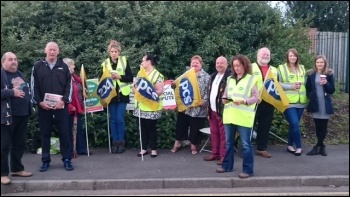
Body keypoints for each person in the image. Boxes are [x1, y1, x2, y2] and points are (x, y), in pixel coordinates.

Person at [31, 41, 74, 171]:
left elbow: (69, 86)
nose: (52, 52)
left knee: (65, 134)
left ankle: (67, 159)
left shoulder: (64, 66)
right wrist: (39, 102)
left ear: (58, 52)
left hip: (61, 107)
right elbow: (34, 87)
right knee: (45, 134)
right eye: (50, 49)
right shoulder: (38, 66)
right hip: (44, 108)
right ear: (45, 51)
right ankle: (45, 161)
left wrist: (64, 100)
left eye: (54, 50)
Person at [216, 54, 259, 179]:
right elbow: (226, 94)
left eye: (238, 66)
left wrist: (244, 101)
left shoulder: (252, 79)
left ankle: (248, 170)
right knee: (229, 143)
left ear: (244, 65)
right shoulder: (230, 79)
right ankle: (227, 166)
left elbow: (256, 98)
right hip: (230, 115)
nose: (236, 68)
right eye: (234, 66)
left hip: (244, 117)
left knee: (246, 144)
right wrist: (224, 99)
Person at [1, 52, 33, 185]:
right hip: (7, 116)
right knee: (4, 146)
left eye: (15, 59)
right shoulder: (2, 75)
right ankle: (2, 174)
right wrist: (12, 92)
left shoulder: (19, 73)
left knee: (19, 144)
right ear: (3, 62)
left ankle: (17, 169)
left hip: (22, 114)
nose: (14, 61)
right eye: (10, 59)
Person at [171, 55, 210, 155]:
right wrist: (173, 84)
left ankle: (194, 145)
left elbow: (208, 91)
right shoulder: (185, 74)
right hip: (185, 105)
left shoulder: (206, 77)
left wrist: (204, 101)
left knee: (195, 127)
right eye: (193, 62)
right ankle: (177, 143)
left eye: (197, 63)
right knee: (181, 125)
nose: (194, 64)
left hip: (198, 107)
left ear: (201, 64)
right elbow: (178, 85)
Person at [100, 40, 133, 154]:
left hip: (122, 94)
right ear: (109, 52)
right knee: (113, 120)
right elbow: (102, 80)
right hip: (111, 95)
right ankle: (115, 144)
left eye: (116, 51)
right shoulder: (105, 64)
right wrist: (109, 78)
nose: (114, 53)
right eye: (112, 51)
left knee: (119, 119)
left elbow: (130, 77)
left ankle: (121, 142)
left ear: (119, 52)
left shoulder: (124, 61)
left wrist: (120, 76)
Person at [277, 48, 307, 156]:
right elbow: (278, 84)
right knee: (294, 123)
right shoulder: (281, 68)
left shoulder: (302, 68)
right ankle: (299, 147)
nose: (292, 57)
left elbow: (306, 83)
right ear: (287, 57)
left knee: (294, 125)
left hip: (301, 101)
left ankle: (290, 145)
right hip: (288, 102)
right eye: (290, 56)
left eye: (294, 56)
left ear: (297, 57)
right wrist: (291, 86)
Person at [133, 54, 164, 157]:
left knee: (151, 128)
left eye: (143, 61)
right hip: (141, 106)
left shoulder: (157, 75)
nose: (141, 63)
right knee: (142, 128)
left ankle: (153, 149)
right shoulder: (140, 73)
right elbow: (135, 87)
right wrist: (135, 89)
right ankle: (144, 148)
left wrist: (146, 92)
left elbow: (159, 91)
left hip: (151, 106)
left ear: (149, 62)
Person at [203, 56, 230, 165]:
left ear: (226, 64)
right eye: (217, 63)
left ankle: (223, 156)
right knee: (214, 133)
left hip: (223, 111)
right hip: (212, 110)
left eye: (221, 63)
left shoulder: (230, 77)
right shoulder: (213, 76)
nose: (219, 65)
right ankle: (215, 153)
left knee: (224, 136)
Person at [251, 47, 278, 158]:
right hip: (253, 101)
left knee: (265, 125)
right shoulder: (251, 67)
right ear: (257, 56)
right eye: (263, 54)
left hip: (268, 101)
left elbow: (277, 86)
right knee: (249, 125)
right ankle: (245, 148)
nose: (265, 56)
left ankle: (261, 148)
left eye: (267, 54)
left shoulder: (274, 70)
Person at [305, 55, 335, 156]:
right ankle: (321, 146)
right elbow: (307, 88)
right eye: (318, 62)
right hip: (315, 103)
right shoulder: (311, 74)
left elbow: (332, 90)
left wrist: (326, 83)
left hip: (325, 104)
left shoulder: (329, 74)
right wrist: (310, 96)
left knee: (324, 126)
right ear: (315, 63)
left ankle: (318, 146)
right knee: (317, 126)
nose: (319, 64)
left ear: (325, 63)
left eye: (321, 62)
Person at [63, 58, 90, 156]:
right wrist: (69, 106)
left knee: (79, 129)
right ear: (68, 66)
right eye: (72, 65)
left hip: (78, 107)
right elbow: (62, 93)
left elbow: (82, 85)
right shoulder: (63, 78)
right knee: (69, 130)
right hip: (69, 109)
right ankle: (70, 150)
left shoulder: (73, 77)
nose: (74, 66)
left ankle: (81, 148)